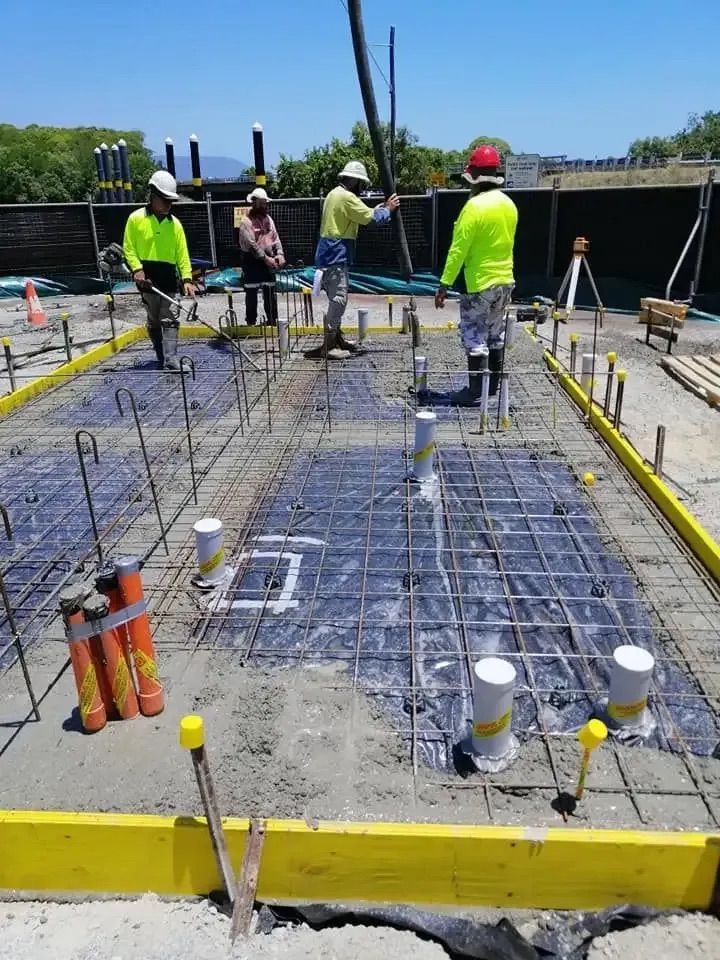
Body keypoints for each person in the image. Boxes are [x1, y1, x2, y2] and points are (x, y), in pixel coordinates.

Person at [435, 145, 518, 405]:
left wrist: (444, 284)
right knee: (495, 334)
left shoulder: (474, 207)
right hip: (505, 281)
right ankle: (491, 390)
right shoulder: (509, 204)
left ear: (473, 177)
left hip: (479, 283)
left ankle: (474, 393)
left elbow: (458, 250)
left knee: (474, 335)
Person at [308, 160, 400, 360]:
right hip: (335, 254)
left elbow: (361, 213)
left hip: (328, 254)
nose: (362, 188)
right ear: (356, 181)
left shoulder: (334, 194)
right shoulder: (346, 197)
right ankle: (329, 346)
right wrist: (388, 209)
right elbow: (371, 219)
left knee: (337, 298)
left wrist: (380, 208)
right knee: (339, 299)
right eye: (362, 184)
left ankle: (337, 339)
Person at [123, 171, 195, 371]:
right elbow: (129, 248)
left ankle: (171, 360)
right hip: (147, 279)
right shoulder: (136, 219)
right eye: (165, 200)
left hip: (169, 278)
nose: (168, 204)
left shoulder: (175, 225)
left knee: (170, 317)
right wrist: (137, 269)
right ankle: (161, 356)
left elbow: (182, 254)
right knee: (154, 319)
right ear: (153, 196)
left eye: (171, 201)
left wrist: (187, 279)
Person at [238, 187, 285, 325]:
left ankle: (272, 320)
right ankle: (251, 322)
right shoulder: (246, 222)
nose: (264, 206)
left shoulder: (269, 220)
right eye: (261, 203)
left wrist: (280, 254)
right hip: (252, 261)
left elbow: (275, 238)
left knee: (270, 292)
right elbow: (252, 245)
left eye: (265, 203)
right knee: (251, 292)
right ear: (254, 203)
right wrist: (266, 259)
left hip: (268, 260)